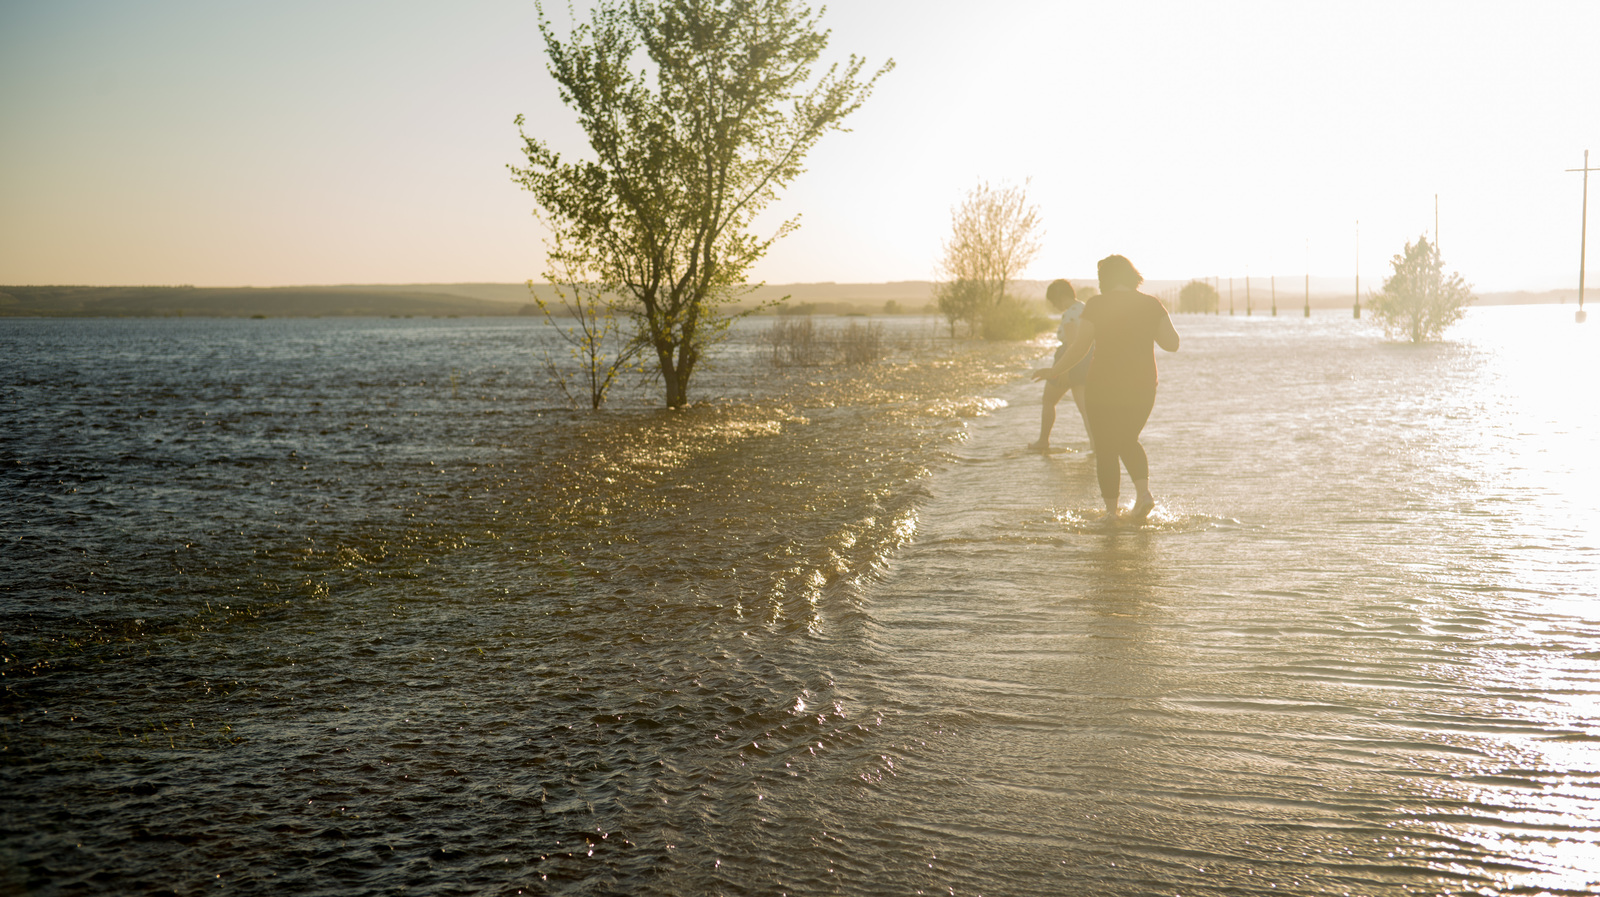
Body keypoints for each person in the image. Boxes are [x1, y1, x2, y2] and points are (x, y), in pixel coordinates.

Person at [1032, 255, 1178, 520]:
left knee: (1106, 448)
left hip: (1103, 386)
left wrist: (1055, 371)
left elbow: (1080, 347)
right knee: (1127, 439)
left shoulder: (1097, 305)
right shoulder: (1152, 304)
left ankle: (1111, 513)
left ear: (1104, 279)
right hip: (1143, 386)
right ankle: (1144, 495)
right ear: (1133, 275)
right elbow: (1172, 343)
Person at [1029, 279, 1093, 453]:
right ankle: (1096, 446)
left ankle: (1043, 441)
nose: (1053, 305)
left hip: (1069, 361)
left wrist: (1064, 370)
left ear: (1059, 297)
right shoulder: (1085, 308)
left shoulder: (1069, 314)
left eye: (1052, 301)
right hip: (1087, 361)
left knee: (1048, 400)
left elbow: (1072, 343)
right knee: (1085, 409)